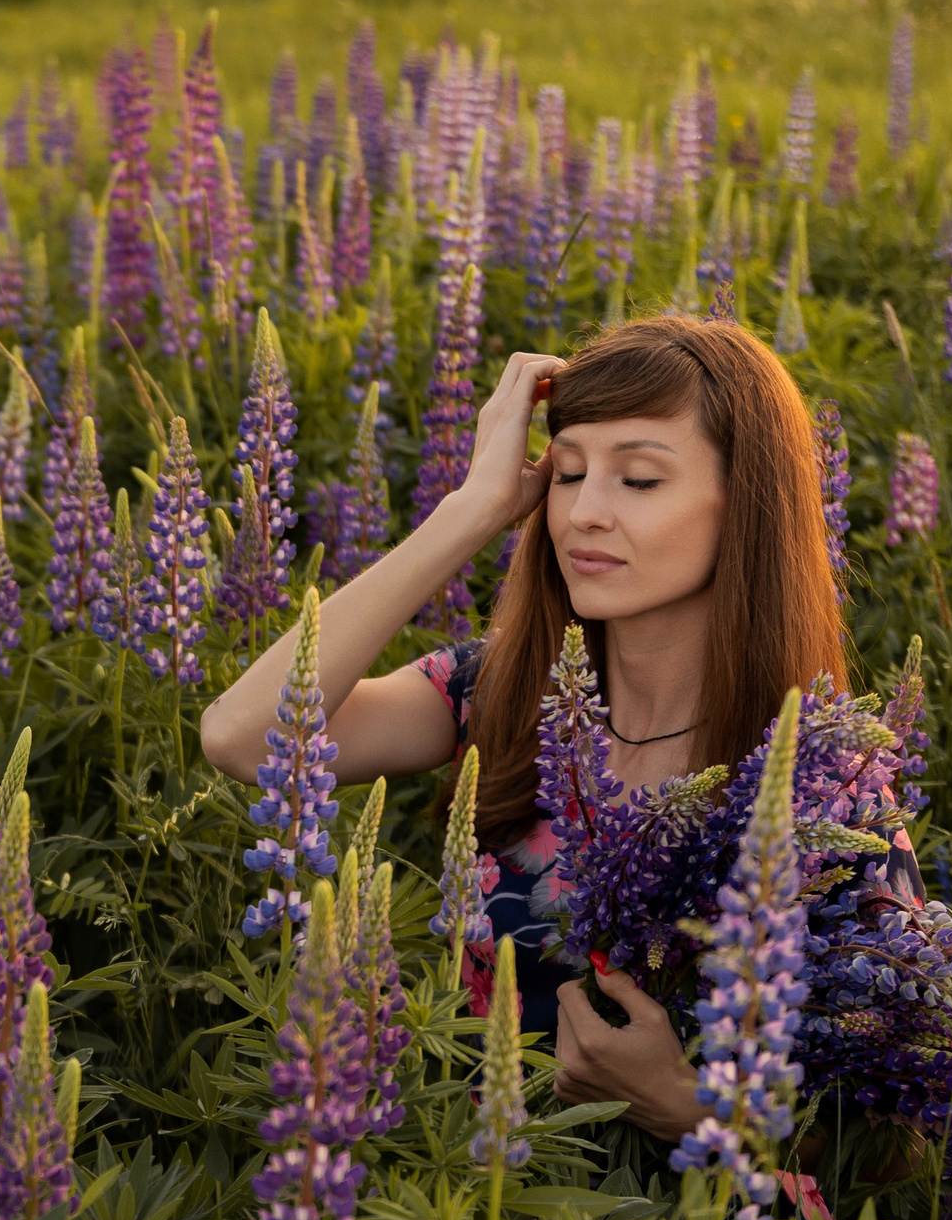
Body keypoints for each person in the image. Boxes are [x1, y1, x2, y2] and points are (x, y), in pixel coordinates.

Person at [203, 315, 912, 1164]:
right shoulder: (499, 692)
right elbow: (244, 738)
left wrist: (687, 1108)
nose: (583, 512)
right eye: (567, 474)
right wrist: (472, 511)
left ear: (746, 506)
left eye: (640, 480)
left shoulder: (825, 781)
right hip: (472, 1217)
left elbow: (890, 1133)